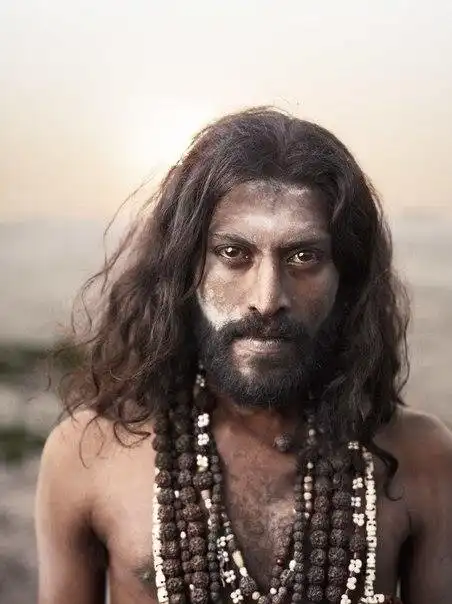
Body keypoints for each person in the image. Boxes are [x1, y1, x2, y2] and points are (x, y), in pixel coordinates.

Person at [35, 107, 452, 604]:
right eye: (234, 254)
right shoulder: (86, 455)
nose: (267, 298)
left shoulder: (422, 456)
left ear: (347, 280)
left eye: (304, 257)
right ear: (184, 269)